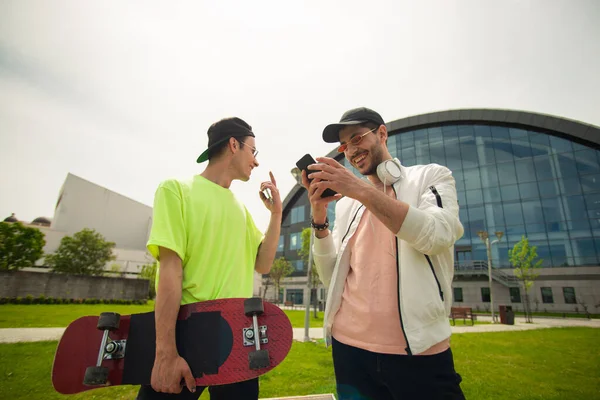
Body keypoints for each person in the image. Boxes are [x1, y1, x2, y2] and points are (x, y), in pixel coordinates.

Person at [302, 107, 465, 399]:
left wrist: (362, 190)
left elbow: (438, 235)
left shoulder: (430, 176)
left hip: (418, 351)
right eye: (344, 145)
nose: (351, 151)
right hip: (349, 349)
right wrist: (319, 218)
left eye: (357, 138)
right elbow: (331, 276)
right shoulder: (346, 204)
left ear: (382, 133)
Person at [137, 117, 282, 400]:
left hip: (239, 341)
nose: (255, 162)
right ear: (233, 145)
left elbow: (262, 264)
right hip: (188, 334)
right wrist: (166, 353)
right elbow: (170, 271)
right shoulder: (175, 190)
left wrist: (276, 214)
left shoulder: (241, 209)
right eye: (253, 151)